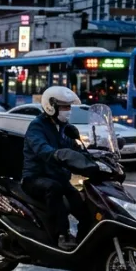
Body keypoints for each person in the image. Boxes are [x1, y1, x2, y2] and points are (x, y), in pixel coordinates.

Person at [22, 86, 89, 250]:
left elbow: (75, 148)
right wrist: (57, 154)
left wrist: (95, 155)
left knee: (84, 207)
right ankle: (60, 234)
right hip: (35, 177)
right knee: (55, 188)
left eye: (69, 107)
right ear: (51, 106)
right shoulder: (37, 126)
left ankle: (84, 246)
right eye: (64, 107)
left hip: (58, 176)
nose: (68, 111)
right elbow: (41, 148)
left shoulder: (66, 128)